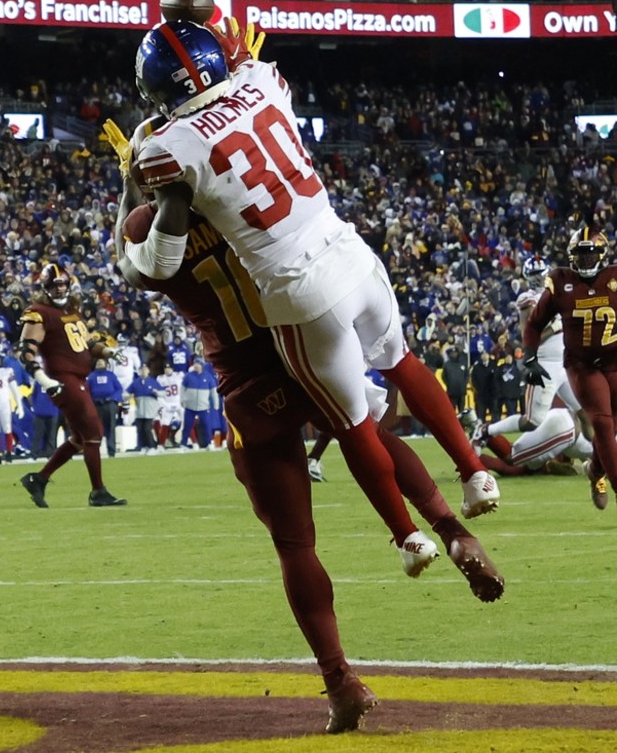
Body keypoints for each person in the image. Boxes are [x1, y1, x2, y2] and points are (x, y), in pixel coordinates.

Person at [112, 177, 504, 735]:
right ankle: (446, 525)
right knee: (362, 431)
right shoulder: (238, 203)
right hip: (300, 347)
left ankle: (341, 681)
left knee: (295, 543)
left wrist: (129, 191)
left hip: (245, 385)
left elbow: (132, 266)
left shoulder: (143, 227)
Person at [125, 17, 497, 534]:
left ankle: (409, 537)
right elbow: (242, 63)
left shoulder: (167, 146)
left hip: (298, 289)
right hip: (351, 252)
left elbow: (158, 263)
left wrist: (129, 223)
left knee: (355, 426)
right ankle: (474, 472)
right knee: (403, 363)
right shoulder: (260, 82)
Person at [17, 263, 127, 508]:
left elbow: (87, 344)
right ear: (45, 288)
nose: (60, 290)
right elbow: (25, 354)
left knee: (79, 438)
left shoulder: (71, 310)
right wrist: (46, 382)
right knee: (94, 433)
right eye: (55, 286)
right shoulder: (39, 313)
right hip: (63, 379)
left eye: (63, 285)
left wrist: (108, 352)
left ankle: (39, 479)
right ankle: (98, 491)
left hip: (79, 378)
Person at [524, 227, 617, 510]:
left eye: (590, 254)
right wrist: (530, 357)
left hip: (614, 360)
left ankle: (595, 471)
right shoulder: (560, 281)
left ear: (602, 255)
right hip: (581, 364)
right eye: (580, 254)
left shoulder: (614, 277)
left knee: (610, 425)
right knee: (601, 422)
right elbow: (534, 323)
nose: (586, 260)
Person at [469, 256, 588, 450]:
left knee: (586, 414)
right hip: (544, 364)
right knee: (532, 421)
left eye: (538, 274)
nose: (536, 279)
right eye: (532, 275)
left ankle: (599, 461)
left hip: (566, 363)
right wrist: (556, 327)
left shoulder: (561, 295)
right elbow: (528, 337)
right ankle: (484, 430)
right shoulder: (529, 299)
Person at [0, 353, 24, 463]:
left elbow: (15, 389)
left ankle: (9, 452)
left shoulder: (6, 371)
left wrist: (20, 405)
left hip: (4, 403)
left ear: (1, 362)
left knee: (7, 428)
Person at [86, 358, 123, 457]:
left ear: (106, 364)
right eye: (98, 362)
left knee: (111, 427)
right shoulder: (91, 377)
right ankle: (95, 451)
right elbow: (87, 391)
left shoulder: (111, 375)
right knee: (97, 429)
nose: (99, 363)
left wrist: (114, 399)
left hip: (110, 404)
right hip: (97, 405)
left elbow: (119, 389)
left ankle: (111, 451)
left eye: (101, 362)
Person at [126, 364, 163, 454]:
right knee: (140, 429)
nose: (143, 371)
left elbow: (163, 393)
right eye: (142, 370)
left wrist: (157, 393)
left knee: (147, 428)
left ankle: (152, 446)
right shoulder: (135, 383)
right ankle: (143, 446)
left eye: (145, 369)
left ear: (148, 371)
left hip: (150, 410)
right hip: (140, 410)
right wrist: (128, 396)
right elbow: (126, 393)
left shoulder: (153, 382)